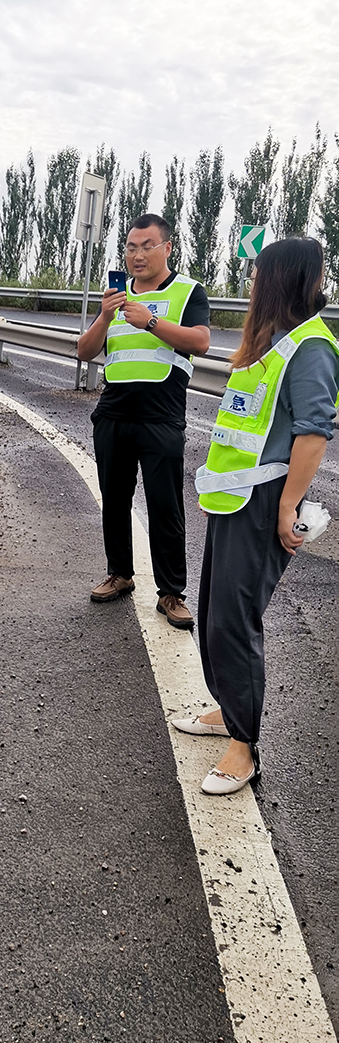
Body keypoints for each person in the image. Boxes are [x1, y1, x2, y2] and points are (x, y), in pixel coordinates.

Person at [172, 236, 339, 794]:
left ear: (279, 279)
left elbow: (313, 433)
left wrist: (288, 505)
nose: (249, 283)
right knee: (214, 612)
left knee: (234, 621)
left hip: (265, 502)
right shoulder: (273, 341)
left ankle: (244, 747)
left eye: (257, 274)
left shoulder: (311, 347)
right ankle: (228, 709)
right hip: (235, 498)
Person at [77, 213, 211, 628]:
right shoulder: (115, 297)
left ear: (166, 248)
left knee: (165, 507)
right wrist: (104, 316)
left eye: (147, 246)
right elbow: (84, 351)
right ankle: (119, 574)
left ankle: (171, 593)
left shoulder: (188, 291)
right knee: (114, 500)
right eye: (131, 247)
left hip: (161, 417)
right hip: (113, 415)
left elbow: (201, 342)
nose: (137, 255)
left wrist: (150, 322)